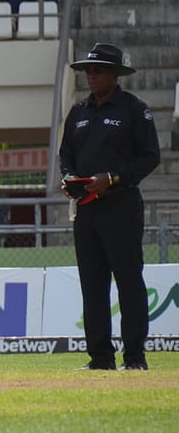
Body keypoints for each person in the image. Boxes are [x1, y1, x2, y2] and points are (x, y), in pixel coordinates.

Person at [58, 43, 160, 371]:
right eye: (88, 70)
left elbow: (149, 157)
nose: (91, 75)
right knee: (92, 283)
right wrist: (69, 178)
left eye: (98, 69)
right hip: (86, 209)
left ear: (115, 74)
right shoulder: (78, 112)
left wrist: (113, 179)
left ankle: (134, 358)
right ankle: (100, 358)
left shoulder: (134, 109)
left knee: (128, 281)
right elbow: (66, 154)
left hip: (121, 207)